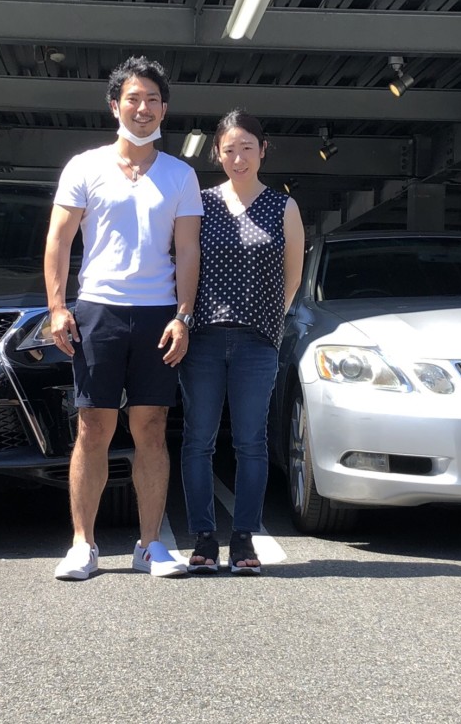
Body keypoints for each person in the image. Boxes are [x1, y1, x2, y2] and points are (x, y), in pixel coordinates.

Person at [46, 56, 203, 581]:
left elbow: (188, 250)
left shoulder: (181, 175)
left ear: (164, 109)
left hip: (158, 313)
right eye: (133, 98)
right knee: (93, 427)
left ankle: (151, 545)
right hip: (98, 309)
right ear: (115, 105)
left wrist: (183, 316)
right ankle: (83, 545)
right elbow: (59, 240)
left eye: (153, 99)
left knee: (151, 428)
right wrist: (58, 307)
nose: (143, 108)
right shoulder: (84, 167)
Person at [178, 110, 304, 574]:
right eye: (229, 149)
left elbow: (292, 277)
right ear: (217, 153)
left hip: (257, 340)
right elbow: (184, 261)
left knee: (251, 442)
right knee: (198, 440)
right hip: (204, 338)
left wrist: (269, 321)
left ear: (263, 150)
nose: (238, 158)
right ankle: (203, 538)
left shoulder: (283, 207)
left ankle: (244, 538)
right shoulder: (201, 203)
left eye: (247, 148)